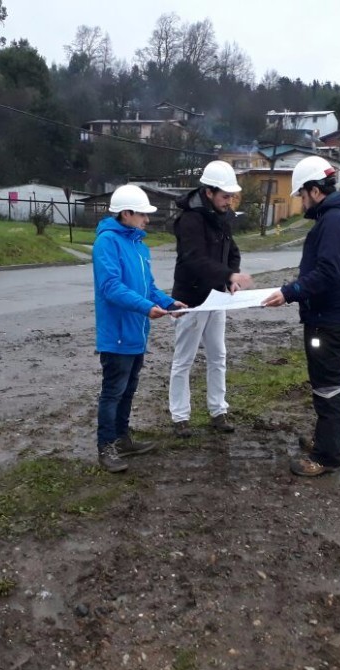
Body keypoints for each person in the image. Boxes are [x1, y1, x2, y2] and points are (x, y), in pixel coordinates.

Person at [262, 156, 340, 477]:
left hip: (329, 320)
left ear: (315, 191)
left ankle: (328, 457)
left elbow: (328, 272)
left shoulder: (333, 220)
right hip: (329, 316)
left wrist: (291, 291)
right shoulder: (335, 217)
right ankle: (325, 441)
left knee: (328, 385)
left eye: (301, 195)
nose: (301, 202)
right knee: (325, 382)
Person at [93, 184, 187, 473]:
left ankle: (122, 438)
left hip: (136, 333)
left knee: (129, 389)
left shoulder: (138, 245)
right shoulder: (107, 243)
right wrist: (146, 308)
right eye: (143, 215)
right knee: (113, 391)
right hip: (117, 334)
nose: (147, 220)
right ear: (126, 213)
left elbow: (148, 287)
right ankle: (105, 446)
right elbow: (111, 288)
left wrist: (170, 303)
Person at [168, 160, 253, 438]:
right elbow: (195, 260)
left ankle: (218, 410)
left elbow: (233, 252)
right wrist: (228, 276)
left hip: (218, 298)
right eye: (225, 196)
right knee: (184, 359)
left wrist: (232, 276)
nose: (229, 201)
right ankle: (180, 416)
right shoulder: (189, 220)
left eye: (231, 197)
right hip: (190, 299)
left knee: (219, 356)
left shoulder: (222, 217)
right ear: (208, 192)